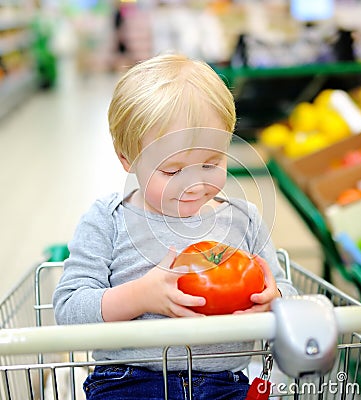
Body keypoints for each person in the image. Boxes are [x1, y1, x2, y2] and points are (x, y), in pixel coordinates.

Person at [53, 53, 297, 400]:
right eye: (172, 171)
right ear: (127, 159)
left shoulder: (243, 220)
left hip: (224, 384)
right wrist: (140, 296)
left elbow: (285, 289)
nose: (193, 184)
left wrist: (274, 301)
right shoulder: (108, 220)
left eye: (211, 163)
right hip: (128, 383)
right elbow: (69, 308)